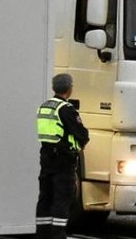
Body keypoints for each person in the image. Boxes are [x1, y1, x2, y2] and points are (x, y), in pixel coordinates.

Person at [36, 73, 90, 239]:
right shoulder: (66, 109)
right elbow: (82, 134)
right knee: (62, 199)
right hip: (64, 160)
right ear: (69, 89)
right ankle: (58, 234)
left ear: (54, 88)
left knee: (45, 197)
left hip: (46, 158)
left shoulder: (44, 106)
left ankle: (43, 234)